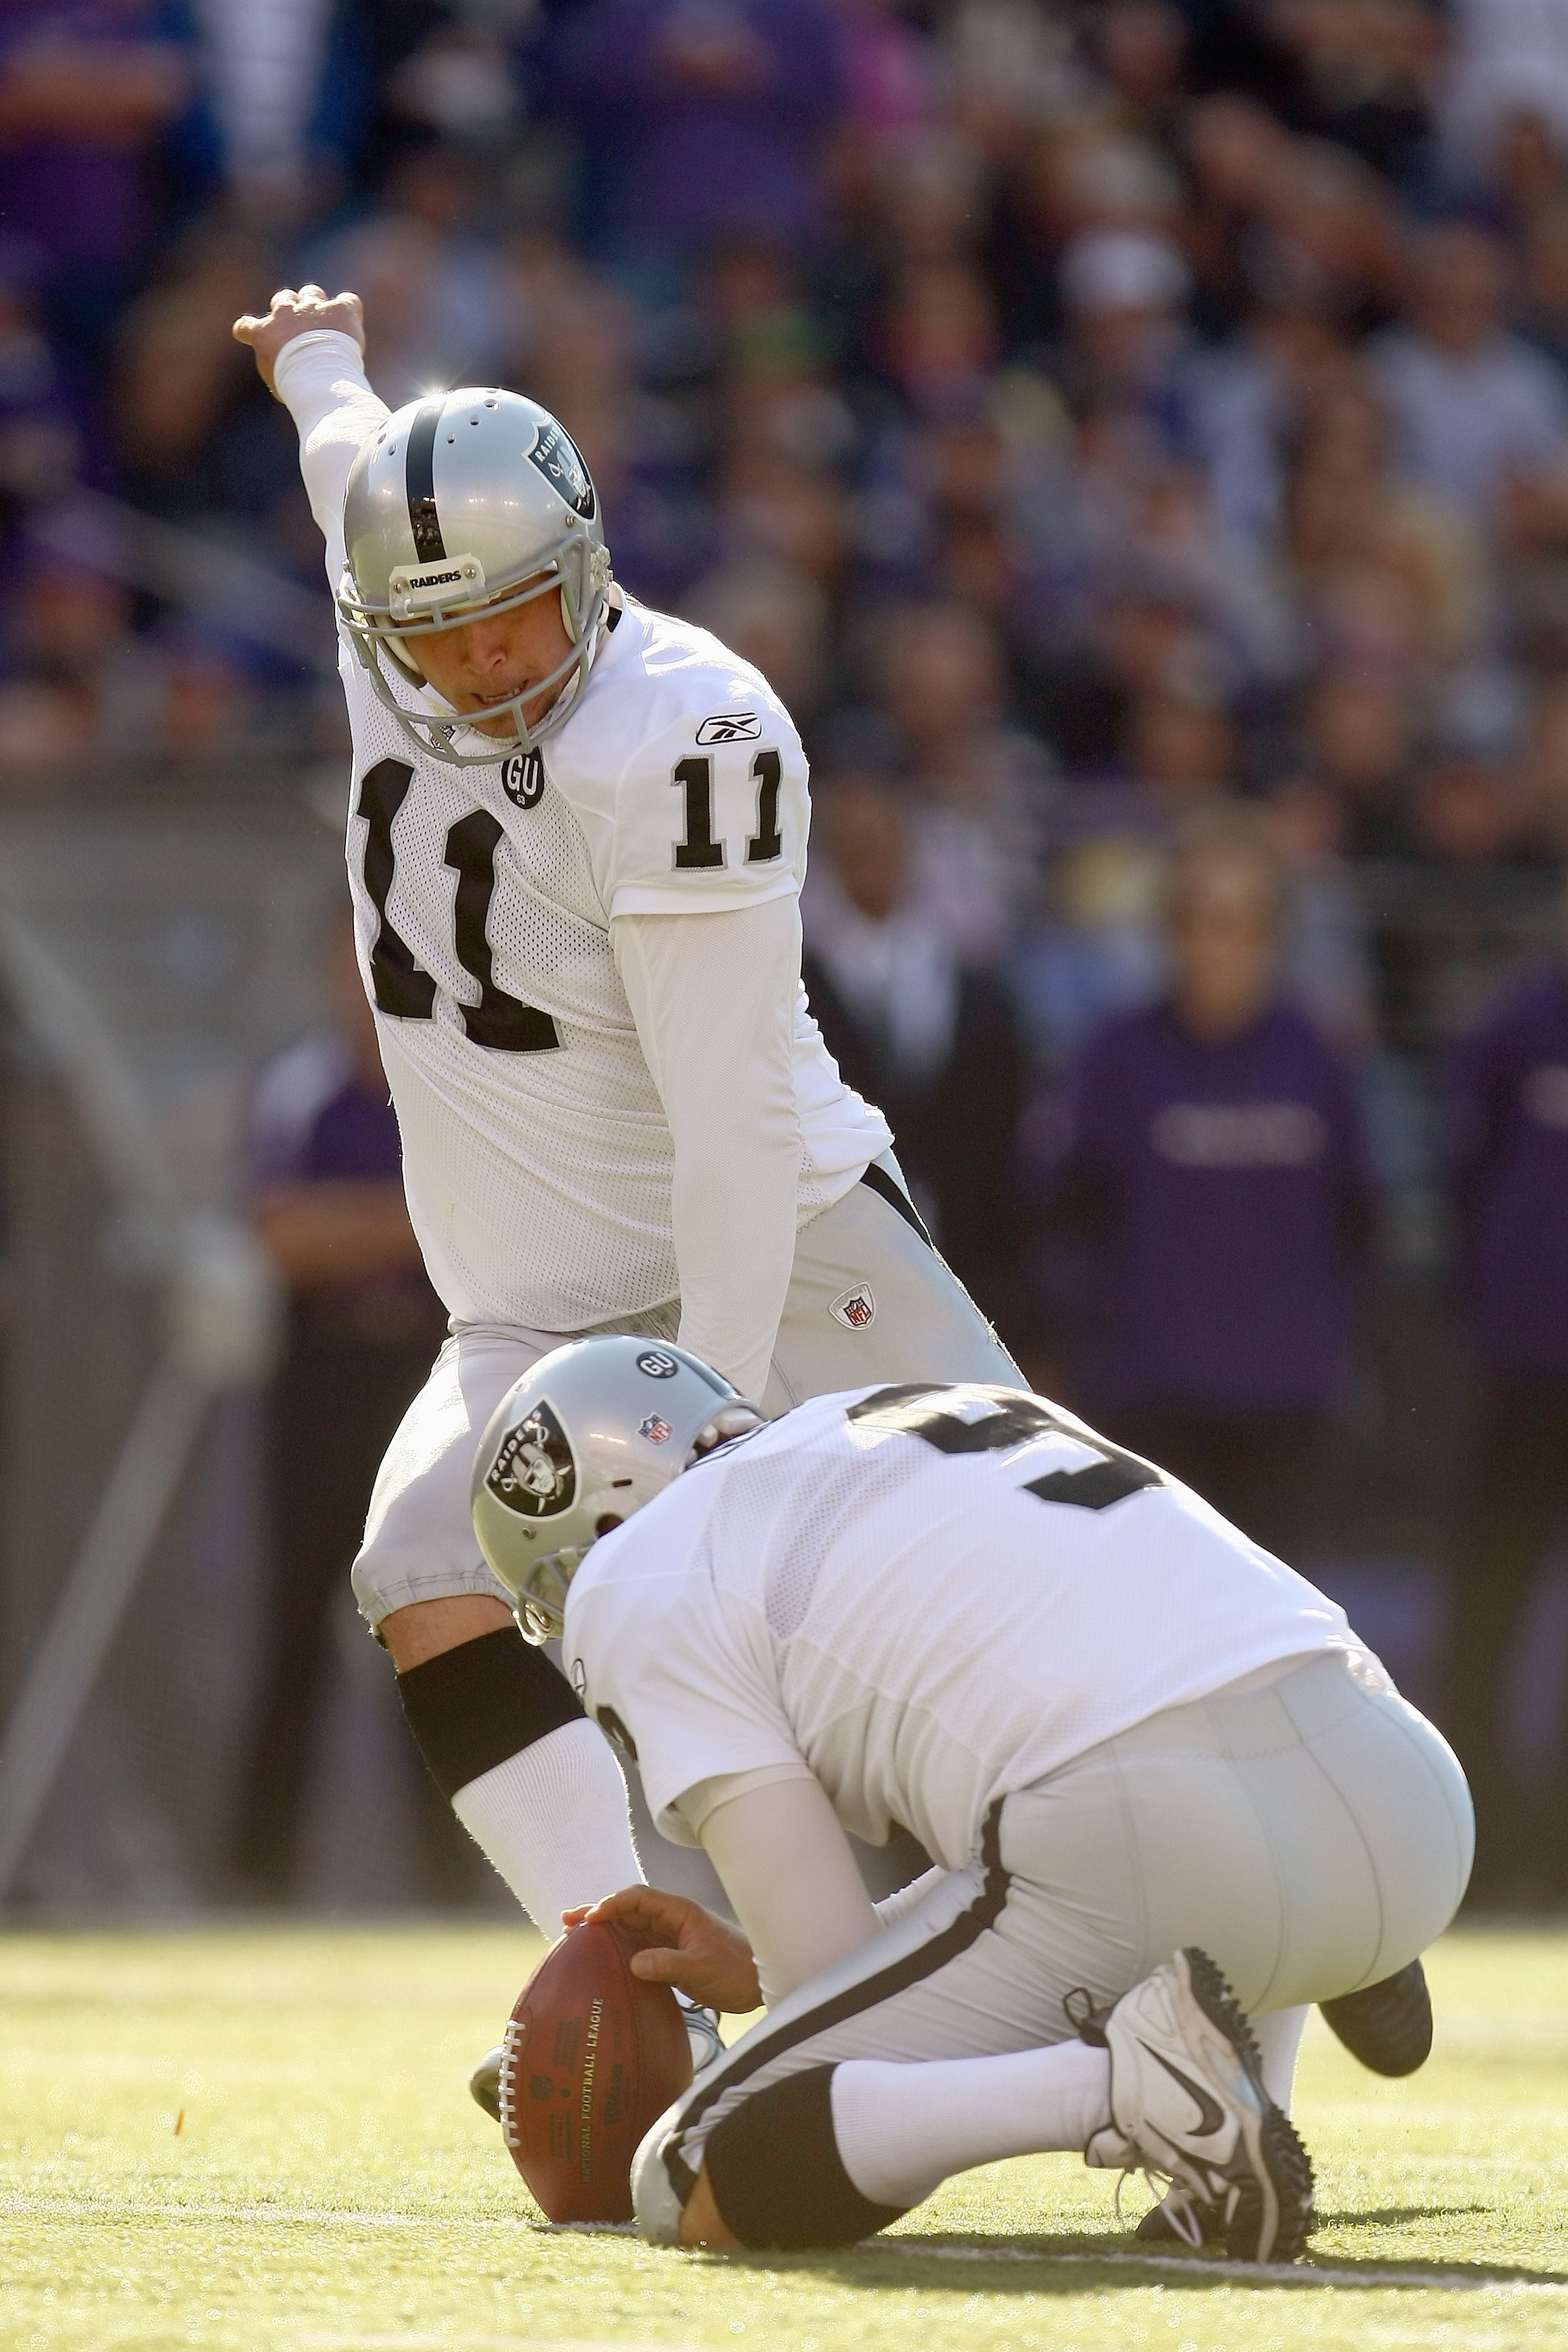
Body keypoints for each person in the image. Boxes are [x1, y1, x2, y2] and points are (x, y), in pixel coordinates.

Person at [229, 285, 1019, 2069]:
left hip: (789, 1244)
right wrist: (316, 362)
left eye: (517, 618)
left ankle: (1276, 1894)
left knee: (1020, 1596)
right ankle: (630, 1974)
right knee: (418, 1568)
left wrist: (718, 1429)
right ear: (376, 625)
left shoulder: (687, 727)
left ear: (583, 566)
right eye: (442, 637)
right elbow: (346, 453)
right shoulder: (397, 616)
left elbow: (730, 1117)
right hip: (532, 1305)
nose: (489, 665)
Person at [469, 1338, 1473, 2258]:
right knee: (1083, 1841)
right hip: (1403, 1787)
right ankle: (1249, 2097)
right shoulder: (926, 1401)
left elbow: (828, 1965)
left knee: (689, 2171)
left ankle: (1126, 2090)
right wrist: (749, 1959)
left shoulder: (636, 1573)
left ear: (598, 1517)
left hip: (1159, 1835)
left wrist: (779, 1979)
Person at [1035, 808, 1373, 1557]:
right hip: (1146, 1411)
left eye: (1236, 922)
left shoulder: (1316, 1060)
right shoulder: (1116, 1061)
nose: (1213, 945)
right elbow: (1064, 1214)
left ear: (1272, 936)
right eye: (1195, 920)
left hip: (1287, 1411)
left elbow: (1357, 1217)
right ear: (1167, 932)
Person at [236, 915, 451, 1899]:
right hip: (322, 1376)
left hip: (424, 1376)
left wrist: (358, 1225)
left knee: (438, 1619)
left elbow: (485, 1226)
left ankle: (454, 1876)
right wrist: (410, 1221)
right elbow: (283, 1235)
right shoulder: (303, 1091)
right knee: (295, 1624)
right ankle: (255, 1870)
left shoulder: (453, 1090)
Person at [1443, 879, 1568, 1902]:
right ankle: (1469, 1841)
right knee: (1486, 1609)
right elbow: (1464, 1172)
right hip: (1523, 1375)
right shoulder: (1522, 1024)